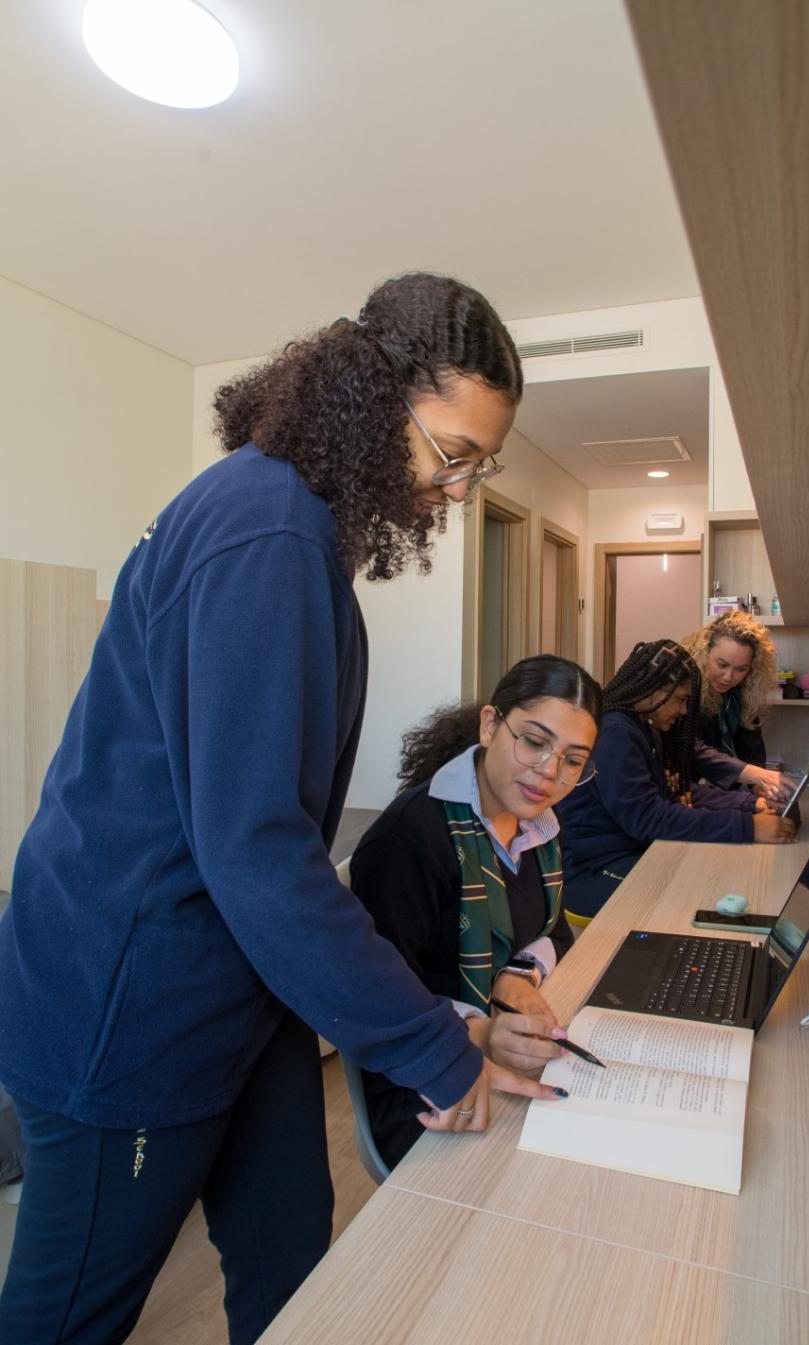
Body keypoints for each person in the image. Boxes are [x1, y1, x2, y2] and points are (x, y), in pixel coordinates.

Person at [0, 273, 557, 1345]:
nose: (456, 489)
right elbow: (259, 853)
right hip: (133, 998)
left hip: (232, 982)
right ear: (372, 400)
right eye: (450, 454)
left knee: (293, 1263)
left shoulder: (285, 518)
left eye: (478, 466)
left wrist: (447, 1022)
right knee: (65, 1321)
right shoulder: (270, 536)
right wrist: (434, 1047)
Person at [349, 655, 601, 1169]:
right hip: (427, 1085)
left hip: (504, 1054)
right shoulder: (410, 841)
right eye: (534, 741)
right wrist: (480, 1034)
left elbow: (554, 931)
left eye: (573, 760)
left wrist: (516, 977)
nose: (550, 772)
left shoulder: (539, 828)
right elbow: (376, 1001)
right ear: (490, 725)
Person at [558, 639, 795, 921]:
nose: (683, 710)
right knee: (701, 895)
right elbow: (649, 818)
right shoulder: (616, 732)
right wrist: (747, 827)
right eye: (681, 700)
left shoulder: (643, 728)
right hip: (594, 871)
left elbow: (675, 791)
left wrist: (749, 804)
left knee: (719, 876)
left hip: (634, 853)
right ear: (653, 691)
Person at [684, 612, 793, 804]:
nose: (728, 677)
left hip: (714, 790)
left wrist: (759, 786)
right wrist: (757, 775)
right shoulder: (684, 689)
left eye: (741, 669)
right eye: (722, 665)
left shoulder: (742, 694)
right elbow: (695, 748)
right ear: (704, 653)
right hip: (685, 788)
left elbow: (752, 748)